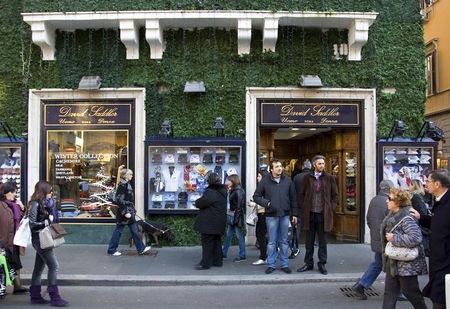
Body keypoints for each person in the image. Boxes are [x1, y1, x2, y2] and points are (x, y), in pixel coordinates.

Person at [380, 188, 428, 309]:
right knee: (389, 293)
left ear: (398, 202)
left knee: (411, 292)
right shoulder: (392, 215)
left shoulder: (407, 217)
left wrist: (395, 238)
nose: (387, 201)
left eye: (389, 199)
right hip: (393, 261)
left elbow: (416, 238)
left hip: (406, 264)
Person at [411, 169, 450, 309]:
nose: (425, 183)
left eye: (428, 181)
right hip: (438, 259)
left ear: (438, 184)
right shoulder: (439, 201)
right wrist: (421, 217)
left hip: (445, 261)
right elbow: (437, 222)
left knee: (439, 299)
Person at [253, 159, 298, 274]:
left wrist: (295, 214)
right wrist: (267, 203)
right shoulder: (265, 181)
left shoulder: (288, 181)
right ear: (271, 169)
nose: (280, 168)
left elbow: (293, 199)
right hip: (271, 215)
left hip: (284, 215)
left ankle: (284, 264)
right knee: (272, 242)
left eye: (280, 166)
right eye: (277, 166)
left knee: (283, 241)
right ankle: (271, 265)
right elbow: (256, 196)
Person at [28, 180, 68, 306]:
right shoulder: (35, 204)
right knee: (54, 266)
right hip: (40, 239)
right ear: (43, 191)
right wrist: (45, 222)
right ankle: (54, 296)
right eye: (50, 191)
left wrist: (52, 211)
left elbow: (53, 218)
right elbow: (32, 224)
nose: (51, 193)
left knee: (38, 268)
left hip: (42, 238)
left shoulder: (46, 203)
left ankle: (35, 296)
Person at [297, 155, 339, 275]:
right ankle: (308, 263)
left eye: (323, 164)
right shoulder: (307, 178)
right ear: (314, 164)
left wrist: (331, 207)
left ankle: (322, 264)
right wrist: (304, 206)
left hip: (323, 214)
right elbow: (301, 194)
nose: (322, 166)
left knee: (322, 242)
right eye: (319, 164)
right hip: (310, 214)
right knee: (309, 242)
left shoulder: (329, 178)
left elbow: (336, 195)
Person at [352, 180, 394, 300]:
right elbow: (392, 222)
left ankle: (361, 285)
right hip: (386, 239)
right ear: (389, 189)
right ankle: (396, 291)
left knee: (378, 263)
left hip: (377, 238)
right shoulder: (388, 202)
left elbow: (369, 219)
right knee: (392, 265)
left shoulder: (374, 200)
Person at [107, 168, 151, 256]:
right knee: (118, 231)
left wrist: (131, 210)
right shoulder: (123, 185)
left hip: (129, 212)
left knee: (134, 231)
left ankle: (141, 249)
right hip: (125, 213)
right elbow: (119, 200)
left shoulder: (126, 184)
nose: (132, 176)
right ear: (125, 176)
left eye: (132, 174)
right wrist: (125, 212)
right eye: (130, 174)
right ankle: (112, 249)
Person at [194, 172, 227, 270]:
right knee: (216, 242)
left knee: (207, 243)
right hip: (218, 222)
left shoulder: (211, 192)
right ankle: (217, 261)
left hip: (210, 223)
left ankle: (205, 263)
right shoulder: (222, 191)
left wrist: (196, 202)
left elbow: (201, 203)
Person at [0, 182, 28, 294]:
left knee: (16, 263)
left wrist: (22, 207)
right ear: (6, 193)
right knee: (4, 264)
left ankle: (17, 286)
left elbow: (22, 219)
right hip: (4, 240)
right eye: (13, 192)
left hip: (14, 239)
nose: (14, 194)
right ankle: (5, 287)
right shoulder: (2, 205)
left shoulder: (14, 205)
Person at [222, 172, 246, 262]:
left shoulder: (238, 191)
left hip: (236, 216)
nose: (227, 181)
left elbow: (239, 207)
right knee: (229, 235)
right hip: (233, 215)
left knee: (239, 236)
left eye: (229, 180)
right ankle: (224, 253)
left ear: (233, 181)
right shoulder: (234, 190)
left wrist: (236, 220)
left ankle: (242, 255)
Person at [290, 159, 312, 259]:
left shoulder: (296, 177)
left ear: (303, 167)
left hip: (298, 207)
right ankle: (311, 246)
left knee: (296, 229)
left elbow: (293, 193)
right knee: (311, 228)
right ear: (311, 167)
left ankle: (295, 248)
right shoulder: (313, 177)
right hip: (311, 207)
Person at [408, 179, 431, 257]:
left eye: (410, 184)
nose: (409, 186)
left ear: (414, 185)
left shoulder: (415, 196)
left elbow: (422, 212)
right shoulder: (418, 196)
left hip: (418, 223)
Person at [250, 170, 268, 265]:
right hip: (261, 214)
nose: (257, 178)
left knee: (261, 235)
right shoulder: (263, 187)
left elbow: (267, 203)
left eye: (259, 176)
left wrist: (254, 203)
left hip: (264, 214)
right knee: (260, 235)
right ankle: (264, 255)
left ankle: (264, 257)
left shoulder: (265, 188)